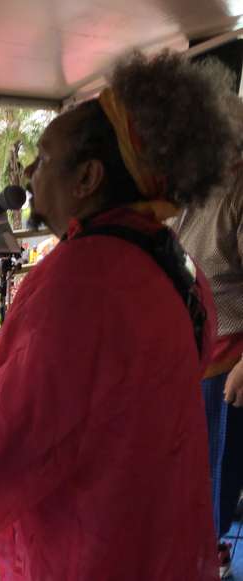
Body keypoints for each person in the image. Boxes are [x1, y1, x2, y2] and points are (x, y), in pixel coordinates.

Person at [0, 51, 236, 580]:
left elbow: (5, 432)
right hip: (155, 521)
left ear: (88, 176)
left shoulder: (80, 277)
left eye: (44, 156)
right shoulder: (177, 262)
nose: (29, 173)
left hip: (91, 542)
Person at [169, 96, 243, 576]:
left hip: (229, 364)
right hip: (192, 358)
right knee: (189, 476)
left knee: (214, 481)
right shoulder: (196, 191)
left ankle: (207, 556)